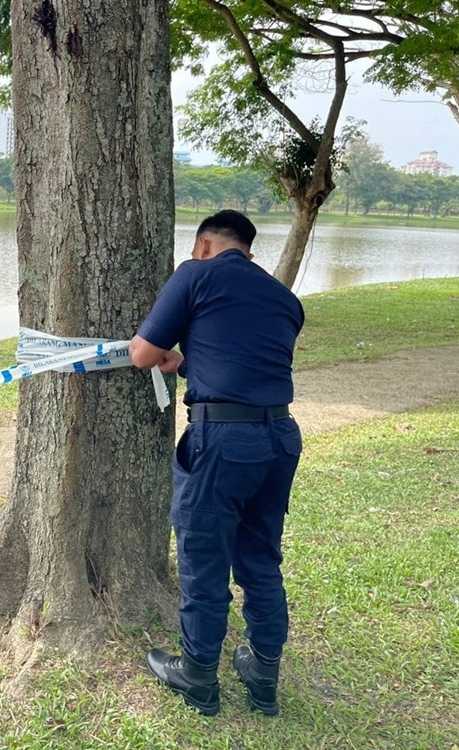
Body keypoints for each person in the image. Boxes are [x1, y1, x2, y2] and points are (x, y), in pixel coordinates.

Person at [128, 209, 304, 717]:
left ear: (204, 244)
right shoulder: (284, 298)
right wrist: (187, 362)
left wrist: (161, 351)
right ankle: (263, 673)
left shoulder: (195, 274)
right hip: (281, 438)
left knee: (204, 558)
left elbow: (141, 354)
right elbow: (245, 361)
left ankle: (199, 674)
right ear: (247, 250)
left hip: (222, 442)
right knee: (260, 558)